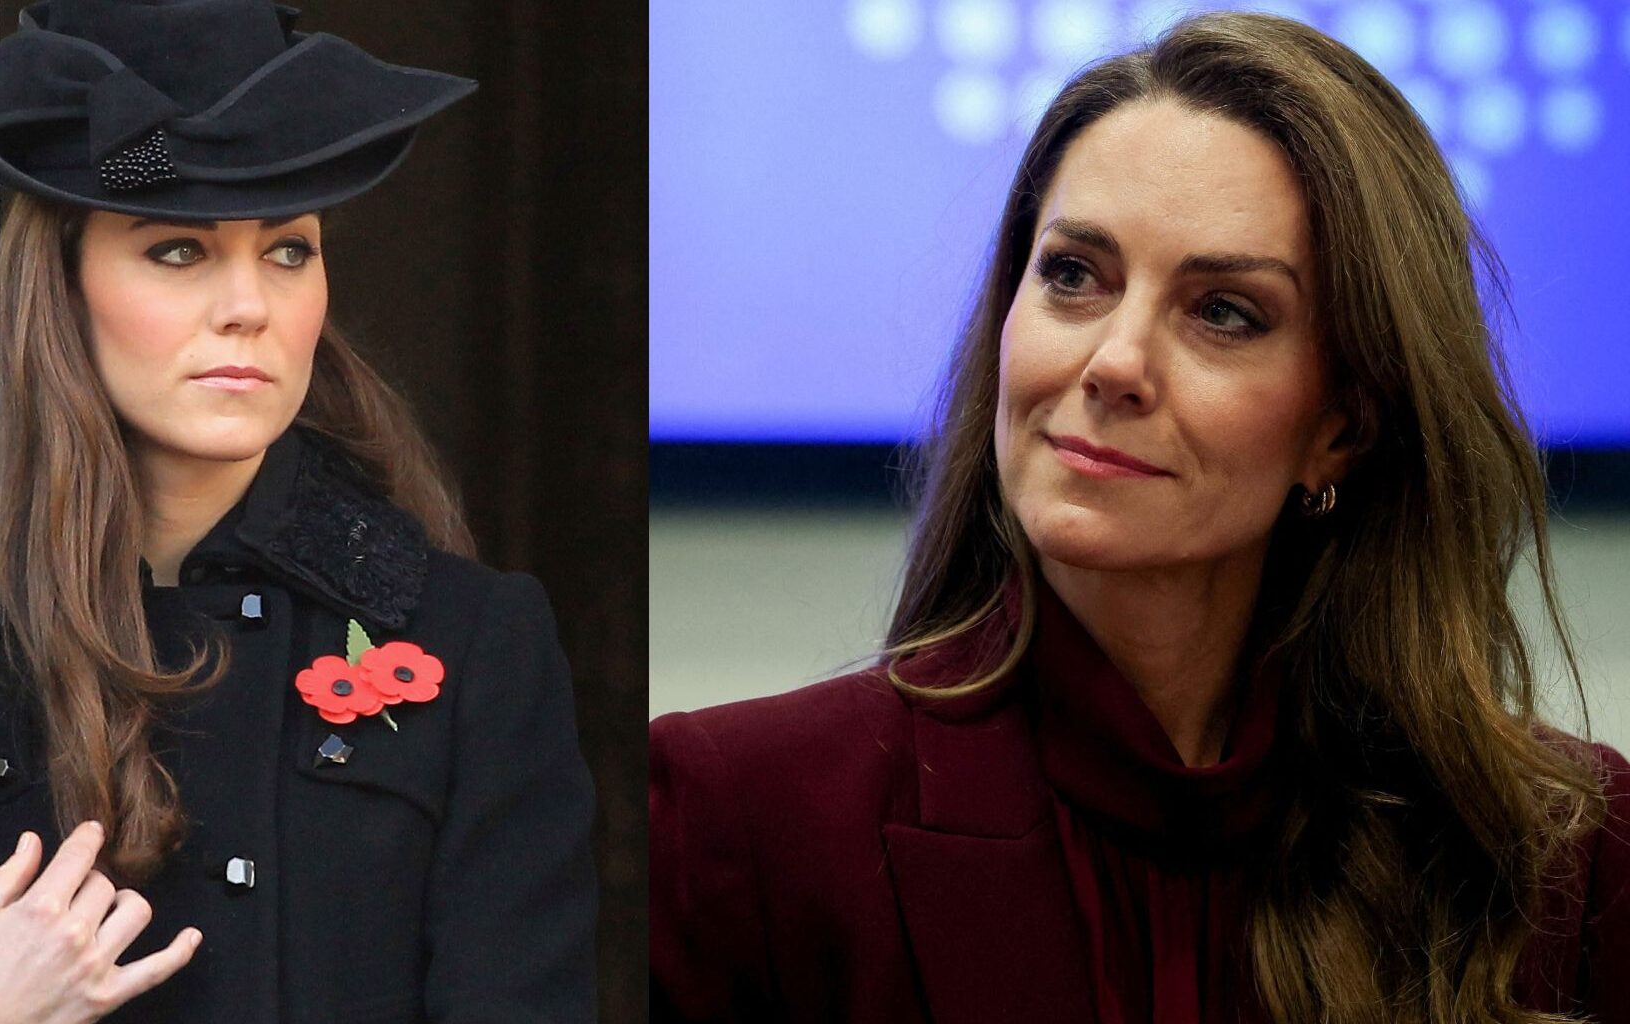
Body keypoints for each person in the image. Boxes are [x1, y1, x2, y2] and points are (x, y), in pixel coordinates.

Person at [650, 11, 1630, 1023]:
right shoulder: (731, 820)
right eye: (1074, 276)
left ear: (1341, 428)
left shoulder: (1569, 857)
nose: (1114, 363)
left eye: (1223, 312)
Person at [0, 2, 596, 1022]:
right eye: (178, 251)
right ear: (60, 286)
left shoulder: (477, 650)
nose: (249, 303)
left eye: (289, 249)